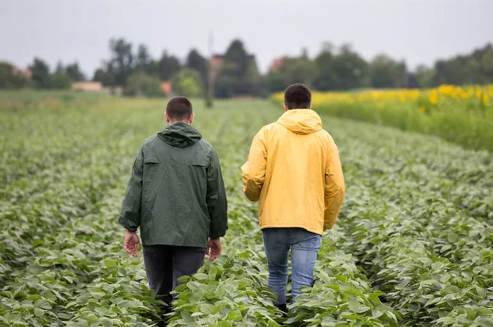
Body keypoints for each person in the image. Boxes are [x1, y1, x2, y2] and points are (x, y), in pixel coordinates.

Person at [241, 83, 345, 312]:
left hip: (274, 220)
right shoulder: (324, 139)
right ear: (310, 106)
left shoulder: (267, 133)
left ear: (285, 106)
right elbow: (337, 186)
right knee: (302, 283)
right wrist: (326, 219)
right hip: (308, 222)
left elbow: (253, 177)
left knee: (276, 275)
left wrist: (254, 196)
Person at [118, 96, 227, 312]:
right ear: (192, 119)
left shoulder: (148, 147)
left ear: (167, 118)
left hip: (156, 233)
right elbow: (216, 197)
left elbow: (135, 189)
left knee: (160, 295)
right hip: (192, 235)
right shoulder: (206, 151)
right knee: (185, 298)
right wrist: (215, 234)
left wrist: (130, 228)